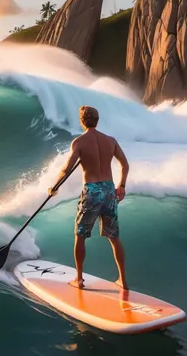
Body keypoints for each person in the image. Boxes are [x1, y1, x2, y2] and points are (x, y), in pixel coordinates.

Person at [49, 105, 129, 289]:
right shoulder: (111, 141)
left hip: (92, 191)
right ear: (97, 120)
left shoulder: (79, 142)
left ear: (82, 121)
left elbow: (66, 169)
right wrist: (122, 185)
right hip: (109, 191)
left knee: (80, 236)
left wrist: (54, 187)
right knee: (114, 237)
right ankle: (123, 281)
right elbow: (125, 164)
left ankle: (79, 279)